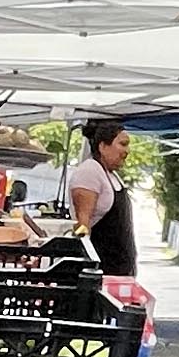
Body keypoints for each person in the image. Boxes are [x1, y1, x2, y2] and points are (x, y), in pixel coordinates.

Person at [52, 116, 137, 278]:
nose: (127, 151)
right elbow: (82, 224)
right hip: (100, 271)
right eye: (123, 144)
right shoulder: (90, 171)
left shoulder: (111, 175)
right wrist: (87, 268)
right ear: (103, 146)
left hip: (117, 272)